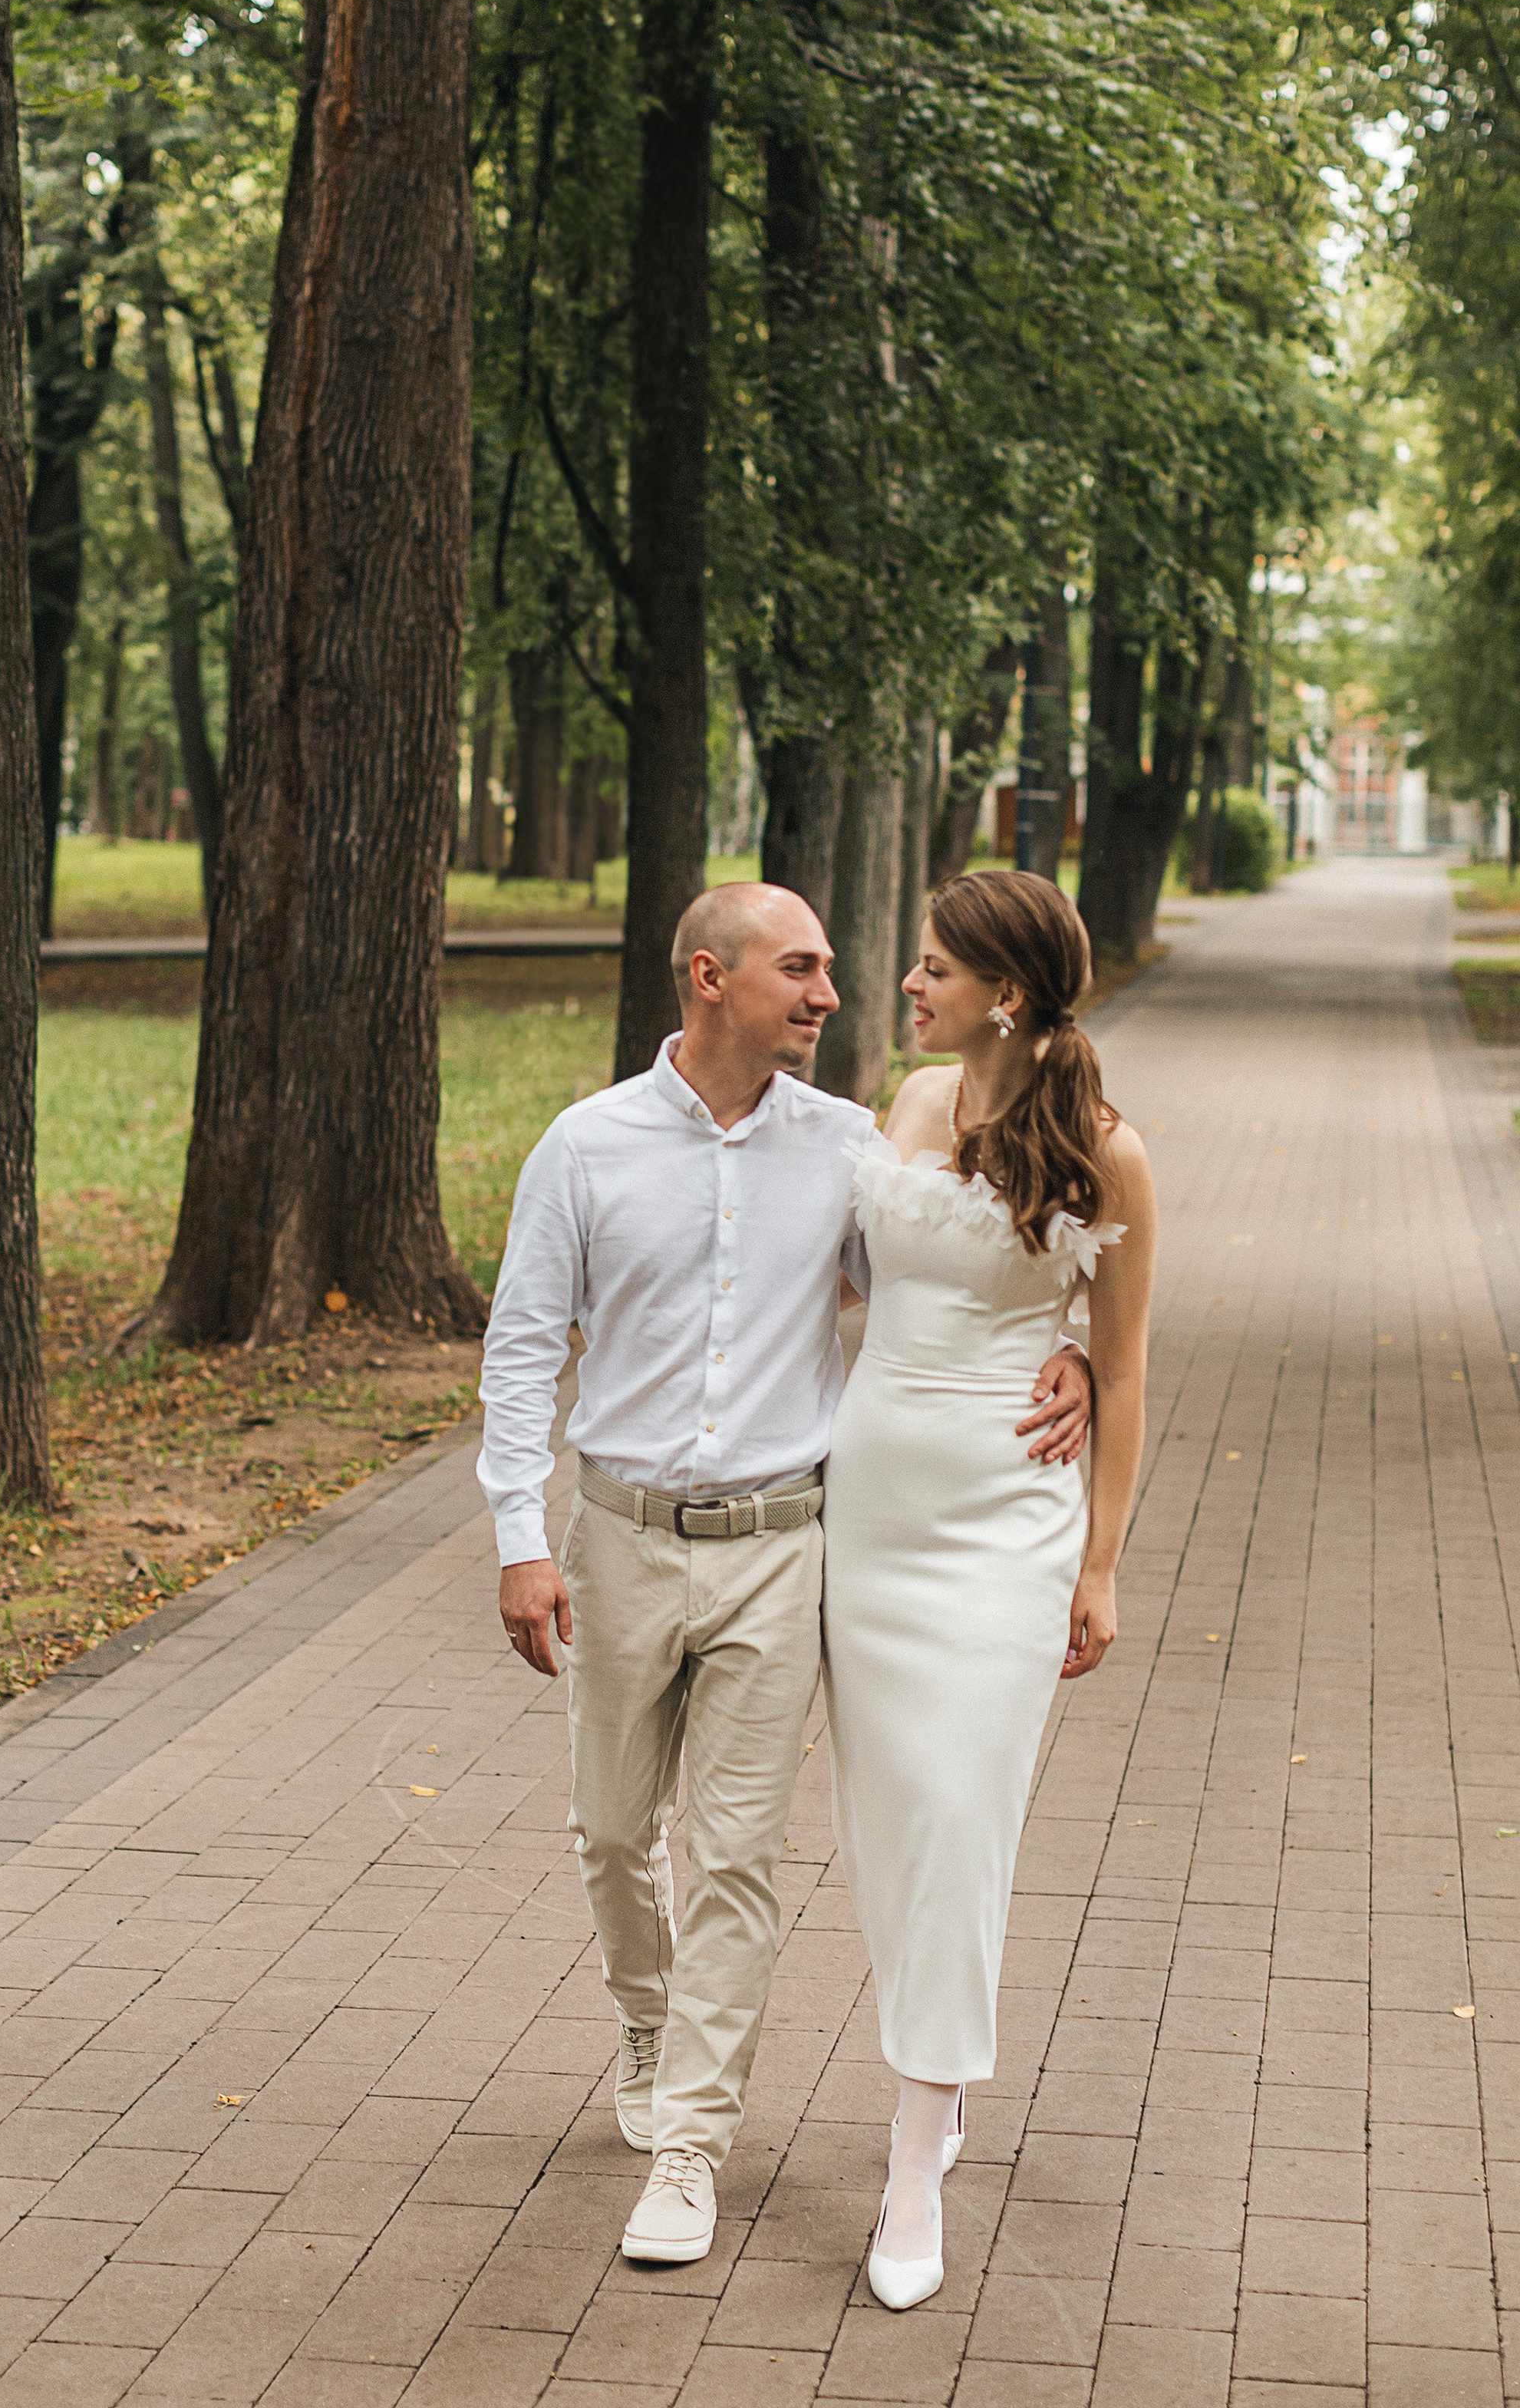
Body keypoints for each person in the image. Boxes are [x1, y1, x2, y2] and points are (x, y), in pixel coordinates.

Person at [479, 881, 1091, 2268]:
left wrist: (1078, 1344)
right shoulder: (586, 1145)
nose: (832, 994)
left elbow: (965, 1274)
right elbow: (523, 1348)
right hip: (620, 1535)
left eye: (833, 969)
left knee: (740, 1856)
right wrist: (522, 1533)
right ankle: (648, 2018)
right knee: (614, 1829)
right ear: (712, 976)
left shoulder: (847, 1146)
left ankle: (691, 2146)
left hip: (783, 1546)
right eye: (801, 970)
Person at [821, 869, 1156, 2311]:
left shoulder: (1110, 1152)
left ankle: (913, 2155)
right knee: (890, 1820)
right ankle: (935, 2080)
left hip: (1004, 1534)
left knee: (961, 1817)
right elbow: (837, 1286)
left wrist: (1100, 1560)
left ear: (1006, 990)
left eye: (937, 963)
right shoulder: (903, 1104)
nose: (910, 980)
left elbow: (1128, 1366)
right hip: (870, 1519)